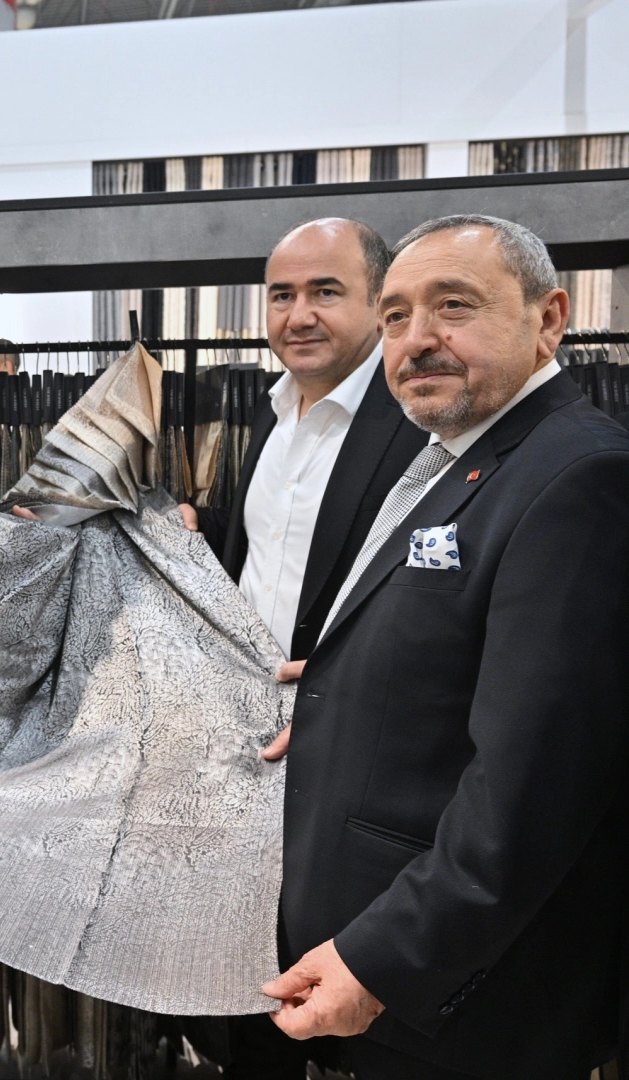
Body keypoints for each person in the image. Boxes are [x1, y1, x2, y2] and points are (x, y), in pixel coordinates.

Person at [265, 215, 629, 1078]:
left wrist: (381, 961)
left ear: (549, 319)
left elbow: (534, 789)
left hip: (460, 993)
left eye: (454, 306)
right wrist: (351, 686)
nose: (417, 338)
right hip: (410, 975)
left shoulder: (578, 475)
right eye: (395, 315)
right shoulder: (463, 456)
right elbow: (470, 652)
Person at [179, 217, 427, 1079]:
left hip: (350, 751)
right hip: (250, 742)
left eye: (326, 291)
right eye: (282, 294)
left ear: (378, 302)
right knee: (256, 975)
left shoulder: (415, 420)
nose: (299, 314)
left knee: (342, 992)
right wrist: (203, 528)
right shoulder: (274, 410)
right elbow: (282, 552)